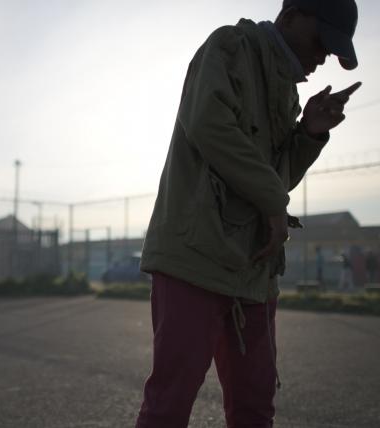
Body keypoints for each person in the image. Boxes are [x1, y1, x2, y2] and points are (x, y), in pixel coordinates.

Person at [135, 1, 360, 427]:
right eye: (321, 41)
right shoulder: (230, 47)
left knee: (255, 406)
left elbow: (276, 180)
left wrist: (309, 132)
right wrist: (274, 199)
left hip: (254, 271)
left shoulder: (288, 92)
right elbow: (208, 124)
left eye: (332, 51)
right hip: (194, 259)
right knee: (170, 403)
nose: (322, 57)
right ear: (292, 15)